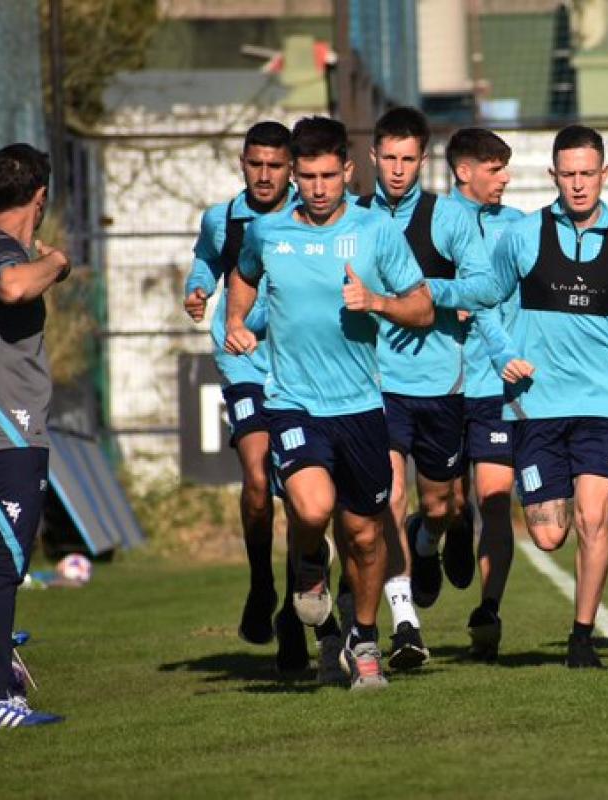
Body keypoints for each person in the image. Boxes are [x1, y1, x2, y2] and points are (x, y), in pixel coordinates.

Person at [225, 116, 436, 691]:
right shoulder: (268, 232)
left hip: (362, 407)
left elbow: (422, 308)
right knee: (312, 510)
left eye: (328, 176)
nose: (318, 188)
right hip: (293, 403)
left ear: (347, 170)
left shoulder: (375, 233)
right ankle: (311, 567)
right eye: (307, 177)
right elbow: (242, 276)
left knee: (366, 536)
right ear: (295, 176)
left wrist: (377, 301)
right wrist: (235, 321)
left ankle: (363, 640)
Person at [477, 124, 608, 667]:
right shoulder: (523, 236)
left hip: (604, 405)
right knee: (548, 536)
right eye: (569, 174)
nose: (579, 184)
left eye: (588, 173)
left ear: (605, 174)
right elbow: (487, 303)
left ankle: (581, 636)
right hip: (534, 405)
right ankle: (578, 621)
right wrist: (500, 354)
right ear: (554, 176)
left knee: (594, 518)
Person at [183, 121, 341, 679]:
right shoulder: (223, 218)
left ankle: (294, 613)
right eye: (257, 164)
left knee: (309, 500)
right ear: (242, 163)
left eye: (277, 166)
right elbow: (207, 258)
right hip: (244, 360)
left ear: (291, 168)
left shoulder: (311, 217)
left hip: (302, 366)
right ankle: (260, 582)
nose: (266, 175)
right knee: (256, 477)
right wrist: (197, 290)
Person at [360, 107, 497, 670]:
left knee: (441, 505)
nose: (397, 169)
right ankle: (406, 624)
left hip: (442, 384)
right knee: (389, 495)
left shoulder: (447, 219)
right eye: (388, 158)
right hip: (377, 381)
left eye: (408, 159)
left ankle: (426, 538)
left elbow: (484, 284)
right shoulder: (354, 220)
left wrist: (423, 293)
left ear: (423, 160)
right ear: (373, 158)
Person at [0, 143, 67, 727]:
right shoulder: (0, 253)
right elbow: (11, 287)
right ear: (40, 197)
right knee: (1, 567)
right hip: (9, 438)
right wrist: (57, 264)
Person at [444, 127, 525, 661]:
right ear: (464, 171)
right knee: (447, 503)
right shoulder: (431, 224)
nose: (505, 178)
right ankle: (436, 533)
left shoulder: (520, 228)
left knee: (495, 499)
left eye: (505, 168)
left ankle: (488, 611)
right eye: (495, 169)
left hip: (497, 387)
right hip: (441, 384)